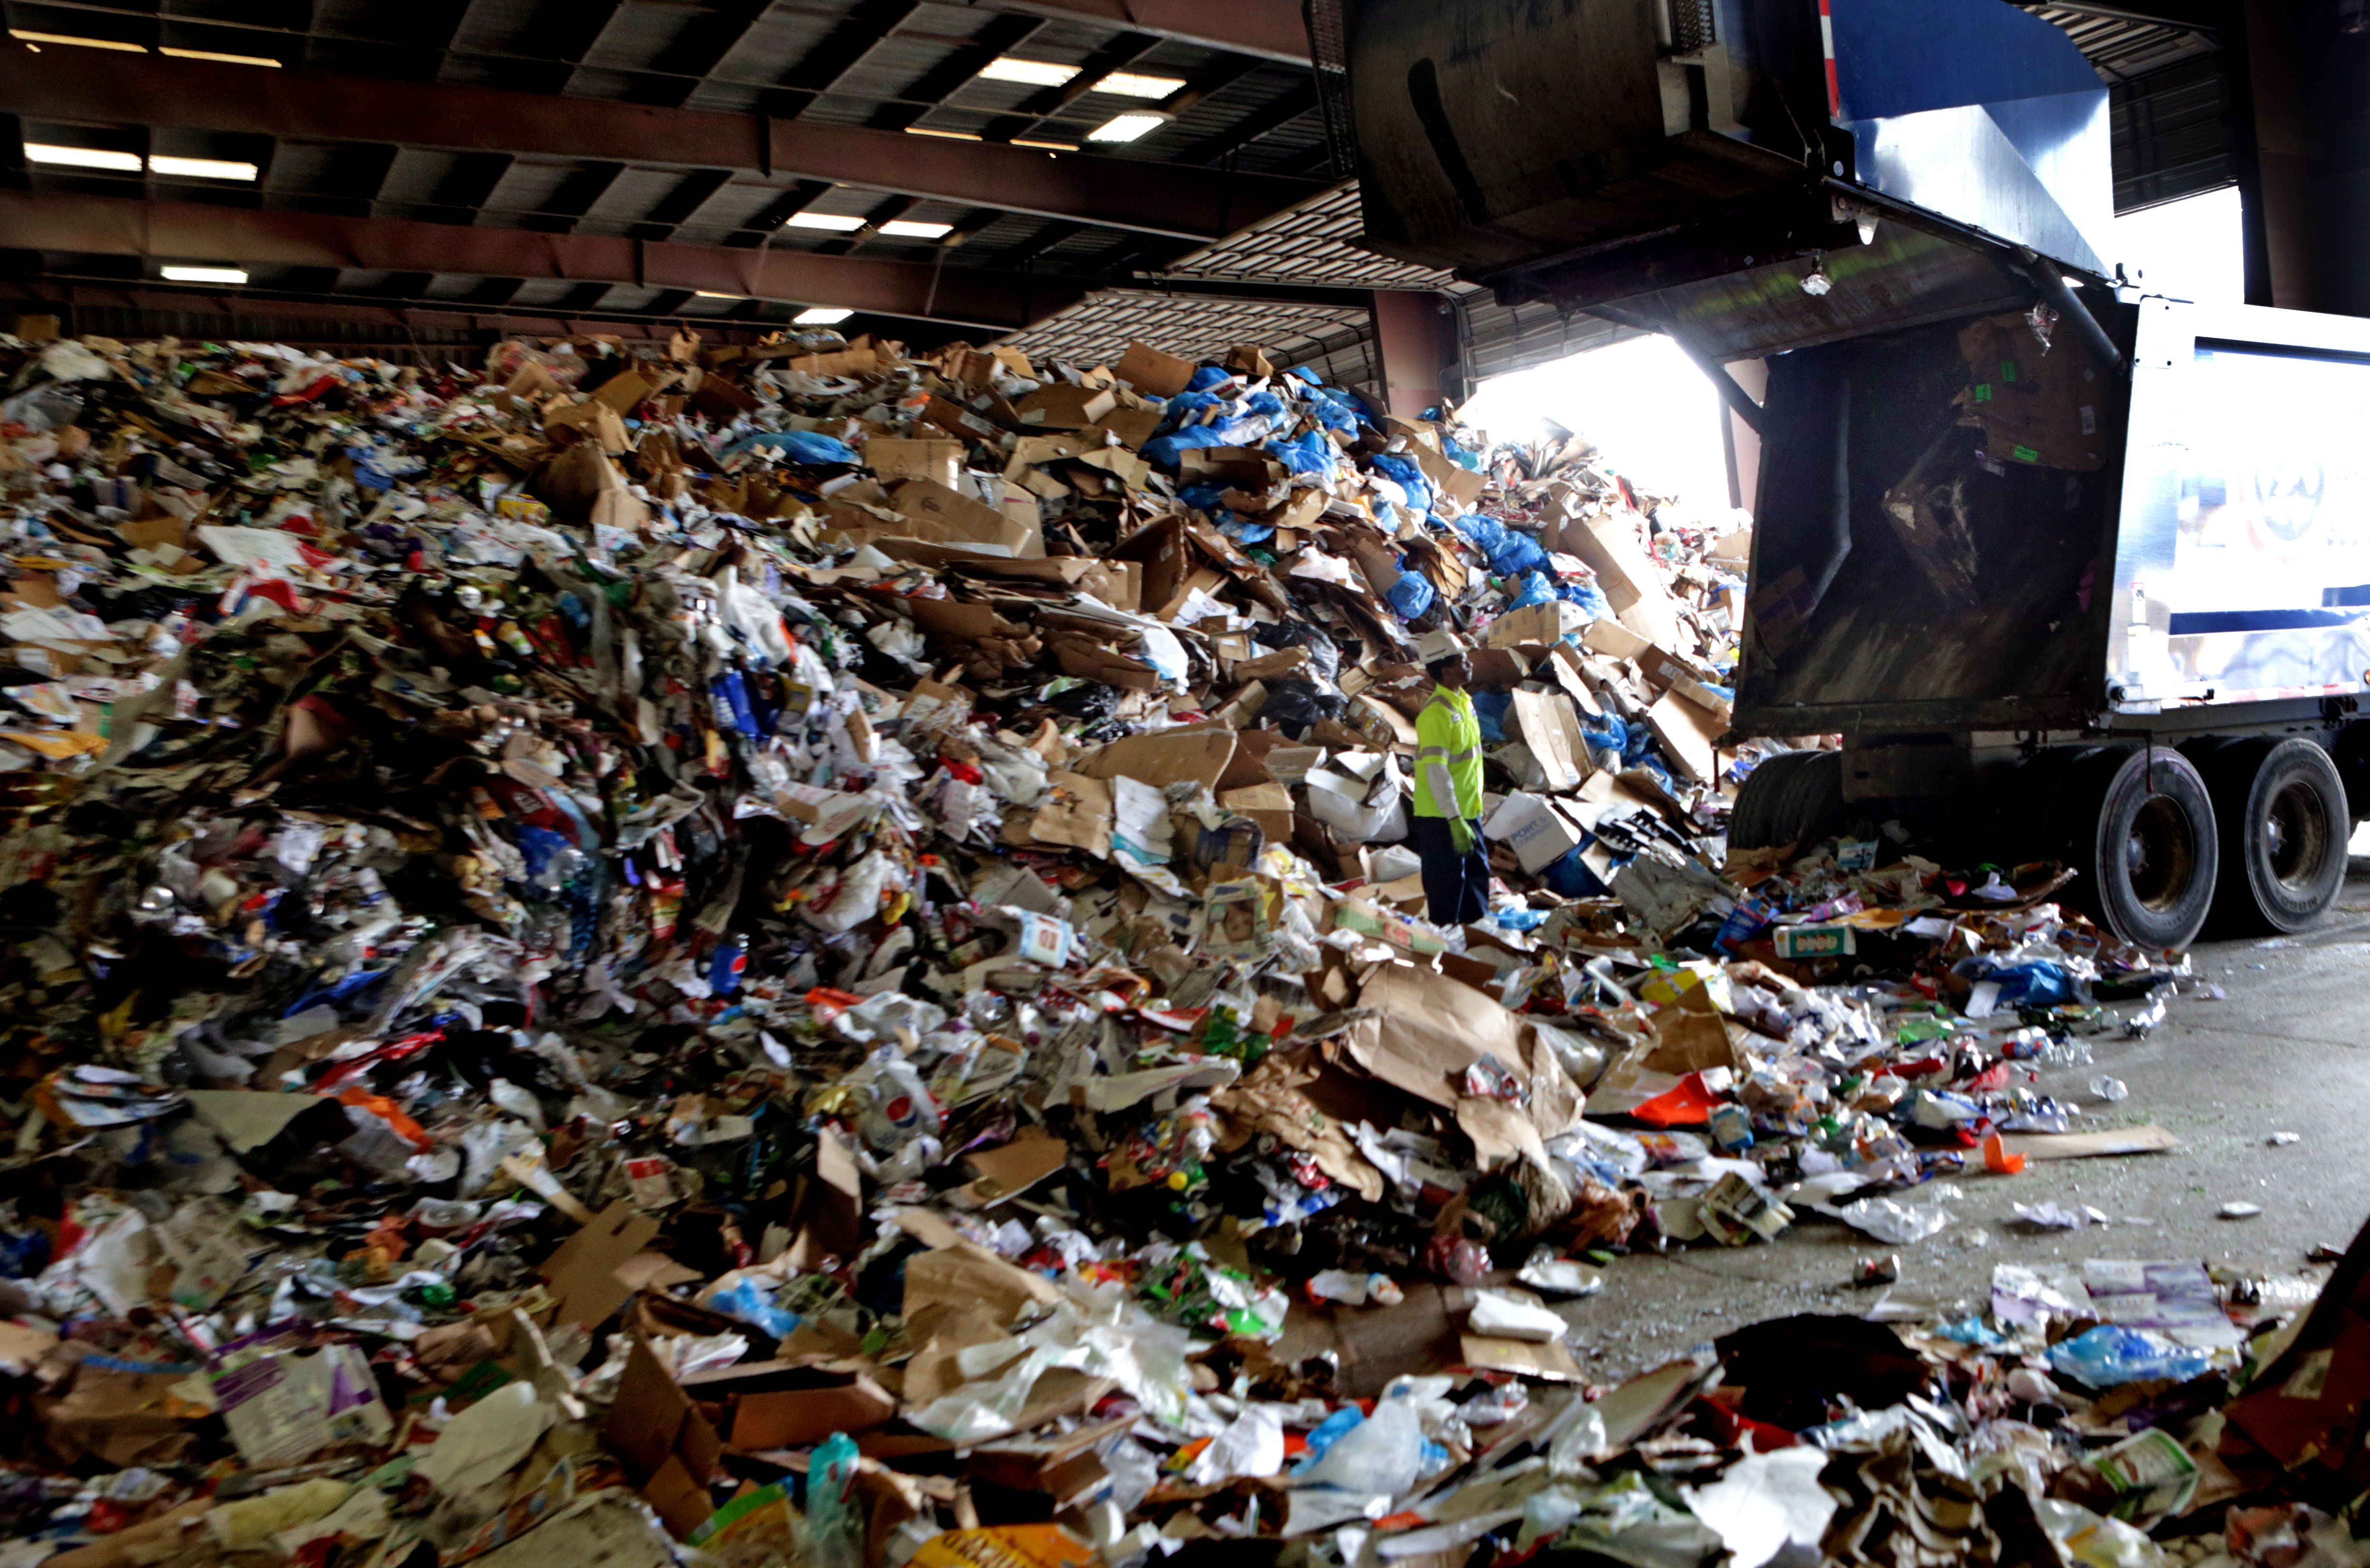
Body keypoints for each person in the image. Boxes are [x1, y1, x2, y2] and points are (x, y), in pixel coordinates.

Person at [1411, 627, 1489, 926]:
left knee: (1476, 876)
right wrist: (1454, 819)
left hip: (1468, 809)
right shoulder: (1435, 715)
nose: (1468, 663)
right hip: (1442, 817)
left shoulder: (1464, 702)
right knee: (1446, 884)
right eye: (1461, 660)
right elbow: (1437, 771)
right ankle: (1445, 944)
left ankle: (1478, 935)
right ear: (1445, 670)